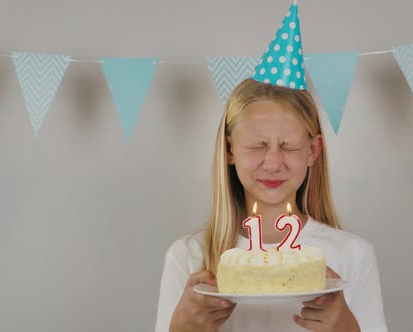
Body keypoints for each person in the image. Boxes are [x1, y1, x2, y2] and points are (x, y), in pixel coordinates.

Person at [154, 77, 389, 332]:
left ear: (312, 150)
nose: (273, 163)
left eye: (288, 146)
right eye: (258, 145)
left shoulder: (353, 256)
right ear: (230, 150)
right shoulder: (188, 258)